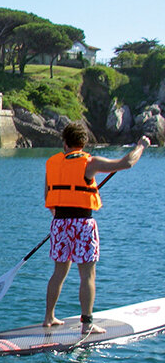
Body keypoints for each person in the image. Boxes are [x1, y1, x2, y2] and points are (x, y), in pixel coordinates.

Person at [43, 122, 149, 334]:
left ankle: (49, 317)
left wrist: (61, 221)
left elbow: (47, 196)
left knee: (59, 273)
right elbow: (127, 163)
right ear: (83, 143)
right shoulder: (90, 163)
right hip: (82, 223)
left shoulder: (52, 163)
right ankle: (87, 324)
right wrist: (141, 146)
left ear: (64, 142)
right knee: (87, 276)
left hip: (59, 223)